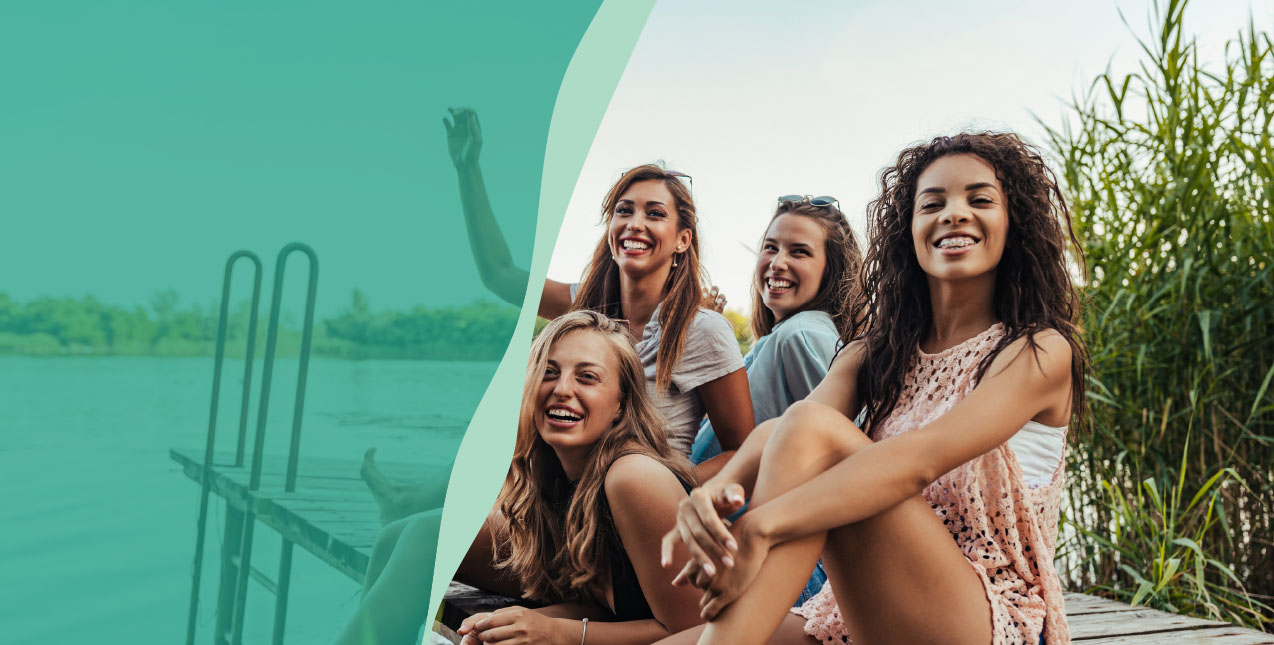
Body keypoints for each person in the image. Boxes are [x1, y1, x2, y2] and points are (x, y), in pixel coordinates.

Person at [659, 132, 1087, 645]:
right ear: (908, 229)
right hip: (865, 608)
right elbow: (781, 431)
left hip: (988, 619)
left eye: (979, 199)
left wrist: (762, 524)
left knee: (818, 429)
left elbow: (920, 460)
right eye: (932, 203)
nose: (953, 214)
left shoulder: (1038, 351)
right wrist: (707, 494)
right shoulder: (876, 350)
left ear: (1013, 223)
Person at [445, 107, 752, 476]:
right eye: (624, 211)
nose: (635, 224)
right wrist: (468, 170)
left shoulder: (704, 331)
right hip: (564, 499)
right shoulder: (585, 307)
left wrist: (668, 487)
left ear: (682, 240)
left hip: (639, 508)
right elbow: (498, 273)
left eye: (654, 214)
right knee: (408, 531)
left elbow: (740, 453)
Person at [454, 310, 707, 644]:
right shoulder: (556, 471)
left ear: (621, 403)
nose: (561, 389)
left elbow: (695, 632)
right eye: (548, 372)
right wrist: (508, 624)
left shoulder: (634, 477)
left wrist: (556, 631)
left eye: (587, 377)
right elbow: (605, 607)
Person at [688, 195, 861, 606]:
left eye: (799, 251)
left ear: (831, 270)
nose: (777, 262)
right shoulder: (777, 339)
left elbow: (844, 453)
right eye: (771, 247)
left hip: (777, 562)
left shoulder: (803, 336)